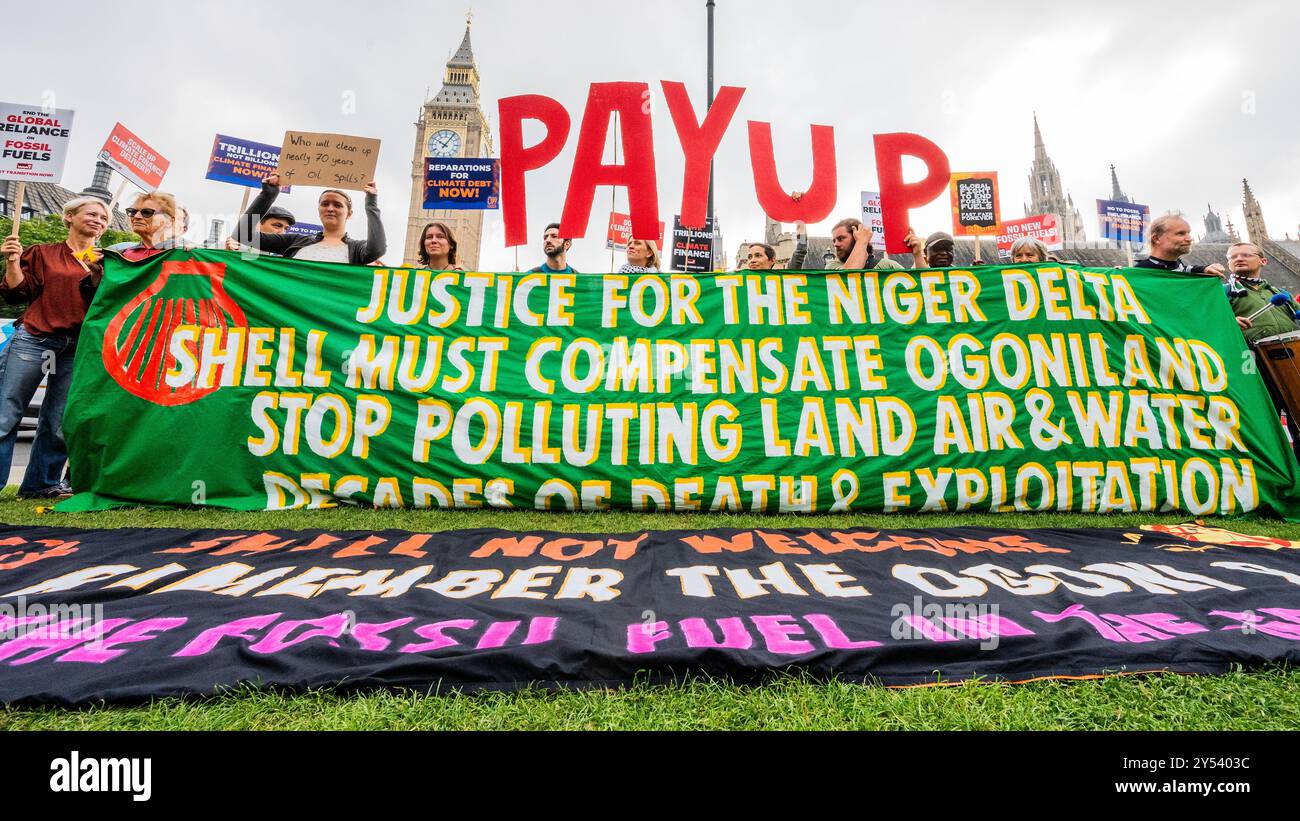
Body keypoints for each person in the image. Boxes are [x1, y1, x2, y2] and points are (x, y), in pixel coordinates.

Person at [0, 197, 111, 498]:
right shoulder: (43, 253)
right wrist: (12, 261)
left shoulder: (108, 262)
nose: (98, 220)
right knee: (6, 414)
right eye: (91, 213)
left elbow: (108, 305)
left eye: (103, 218)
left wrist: (99, 273)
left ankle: (41, 485)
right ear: (70, 217)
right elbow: (16, 293)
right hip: (35, 339)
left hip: (77, 347)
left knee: (59, 421)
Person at [1225, 242, 1300, 460]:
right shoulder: (1224, 293)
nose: (1238, 258)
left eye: (1245, 255)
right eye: (1233, 256)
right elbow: (1208, 323)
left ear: (1263, 261)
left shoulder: (1278, 293)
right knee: (1267, 420)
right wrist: (1229, 321)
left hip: (1290, 361)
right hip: (1253, 364)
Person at [233, 173, 385, 264]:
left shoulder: (357, 249)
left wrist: (371, 203)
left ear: (349, 214)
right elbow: (242, 235)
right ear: (319, 210)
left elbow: (377, 249)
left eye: (338, 205)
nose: (330, 208)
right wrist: (268, 195)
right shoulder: (295, 241)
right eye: (325, 204)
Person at [106, 191, 190, 260]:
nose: (136, 217)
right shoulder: (119, 253)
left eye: (147, 212)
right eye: (133, 212)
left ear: (169, 221)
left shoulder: (184, 256)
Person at [1136, 215, 1225, 277]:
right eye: (1180, 234)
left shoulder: (1183, 268)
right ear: (1156, 239)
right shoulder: (1139, 273)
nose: (1189, 239)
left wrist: (1204, 270)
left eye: (1188, 233)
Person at [225, 205, 295, 251]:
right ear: (258, 224)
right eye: (277, 226)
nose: (282, 233)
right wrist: (227, 253)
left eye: (286, 229)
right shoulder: (238, 245)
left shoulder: (286, 253)